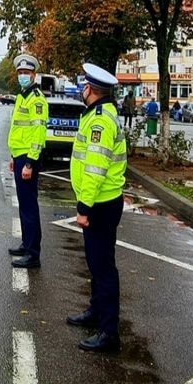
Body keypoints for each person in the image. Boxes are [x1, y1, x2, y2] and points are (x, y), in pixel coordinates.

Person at [67, 63, 127, 353]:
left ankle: (109, 332)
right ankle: (96, 312)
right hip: (102, 201)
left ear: (90, 90)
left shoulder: (100, 122)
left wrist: (84, 206)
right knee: (95, 262)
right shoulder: (97, 115)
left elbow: (95, 169)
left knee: (103, 268)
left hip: (101, 203)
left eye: (83, 87)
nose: (82, 90)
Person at [7, 53, 48, 269]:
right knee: (24, 204)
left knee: (29, 206)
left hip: (29, 158)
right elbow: (18, 131)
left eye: (26, 73)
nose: (23, 76)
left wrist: (30, 163)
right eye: (20, 73)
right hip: (20, 156)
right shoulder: (23, 96)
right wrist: (14, 157)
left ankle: (33, 254)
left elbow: (38, 132)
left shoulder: (37, 99)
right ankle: (27, 243)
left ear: (34, 75)